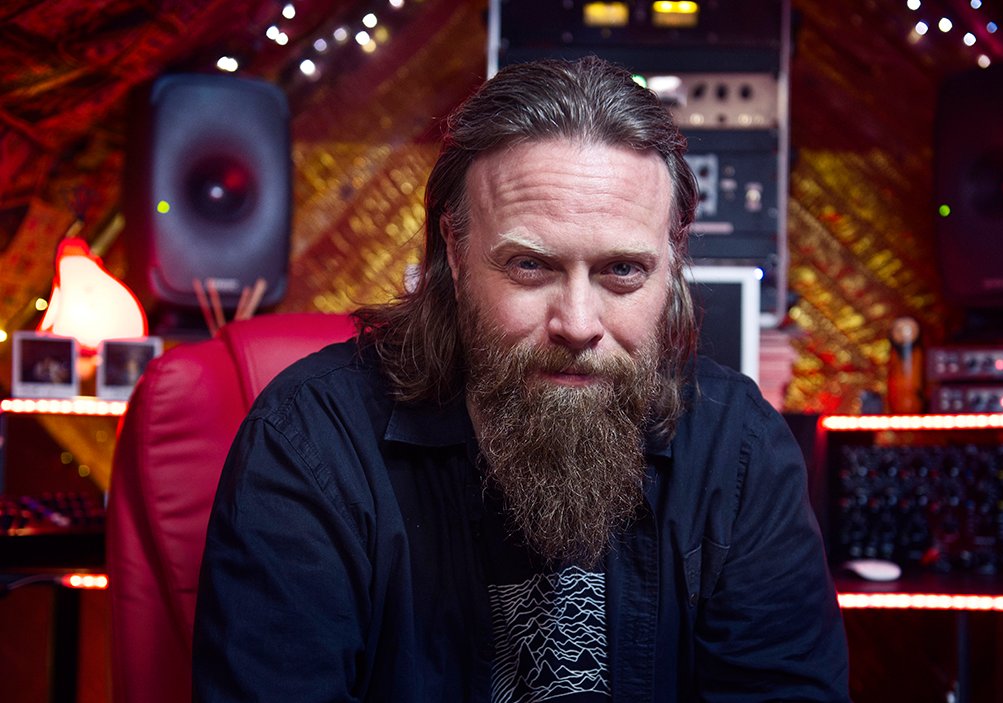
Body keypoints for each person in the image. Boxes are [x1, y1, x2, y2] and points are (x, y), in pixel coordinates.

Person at [193, 55, 850, 701]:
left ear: (672, 261)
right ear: (455, 253)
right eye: (531, 266)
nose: (578, 323)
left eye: (623, 270)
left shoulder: (739, 452)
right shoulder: (311, 443)